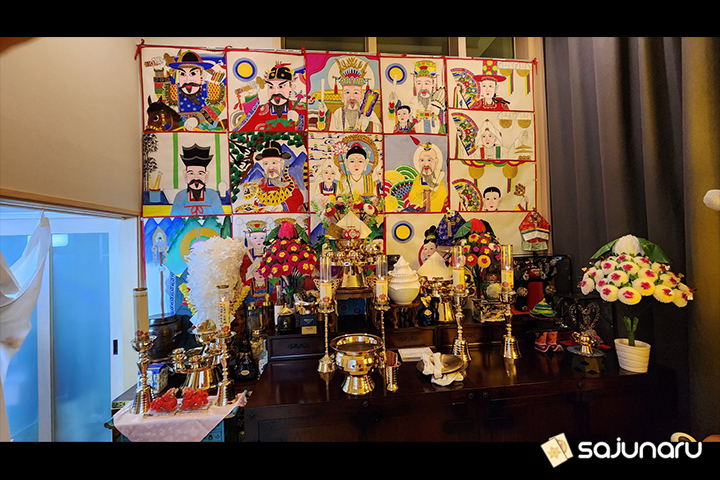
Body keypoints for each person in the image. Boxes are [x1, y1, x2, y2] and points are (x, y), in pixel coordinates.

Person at [154, 50, 227, 130]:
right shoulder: (176, 90)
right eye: (182, 74)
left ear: (203, 75)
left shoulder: (211, 89)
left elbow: (220, 105)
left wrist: (198, 119)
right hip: (182, 128)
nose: (187, 80)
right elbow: (161, 97)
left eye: (193, 73)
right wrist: (159, 71)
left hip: (206, 128)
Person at [234, 62, 306, 131]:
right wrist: (252, 95)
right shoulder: (263, 110)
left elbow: (310, 127)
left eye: (281, 86)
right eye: (271, 87)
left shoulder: (299, 107)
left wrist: (298, 120)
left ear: (291, 88)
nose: (276, 92)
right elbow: (249, 123)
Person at [318, 56, 381, 132]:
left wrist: (367, 124)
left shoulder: (369, 114)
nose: (352, 97)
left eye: (356, 93)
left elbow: (379, 130)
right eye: (347, 92)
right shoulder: (339, 113)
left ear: (362, 96)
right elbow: (329, 128)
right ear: (342, 96)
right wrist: (323, 113)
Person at [388, 60, 446, 134]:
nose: (423, 87)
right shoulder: (411, 105)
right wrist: (392, 104)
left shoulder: (438, 105)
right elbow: (394, 117)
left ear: (433, 84)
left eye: (427, 83)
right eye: (419, 83)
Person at [170, 144, 225, 216]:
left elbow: (221, 217)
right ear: (185, 176)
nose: (196, 178)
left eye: (200, 173)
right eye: (191, 173)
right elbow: (174, 218)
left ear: (206, 176)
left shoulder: (212, 195)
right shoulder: (180, 196)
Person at [253, 141, 305, 212]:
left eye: (274, 163)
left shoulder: (288, 179)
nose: (270, 167)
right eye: (266, 163)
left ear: (282, 164)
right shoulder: (262, 182)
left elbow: (298, 199)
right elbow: (257, 203)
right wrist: (263, 205)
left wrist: (282, 206)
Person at [406, 138, 448, 212]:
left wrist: (432, 195)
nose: (426, 164)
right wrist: (422, 194)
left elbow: (442, 196)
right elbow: (412, 197)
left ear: (436, 161)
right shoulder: (417, 179)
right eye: (422, 160)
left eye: (429, 160)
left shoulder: (439, 179)